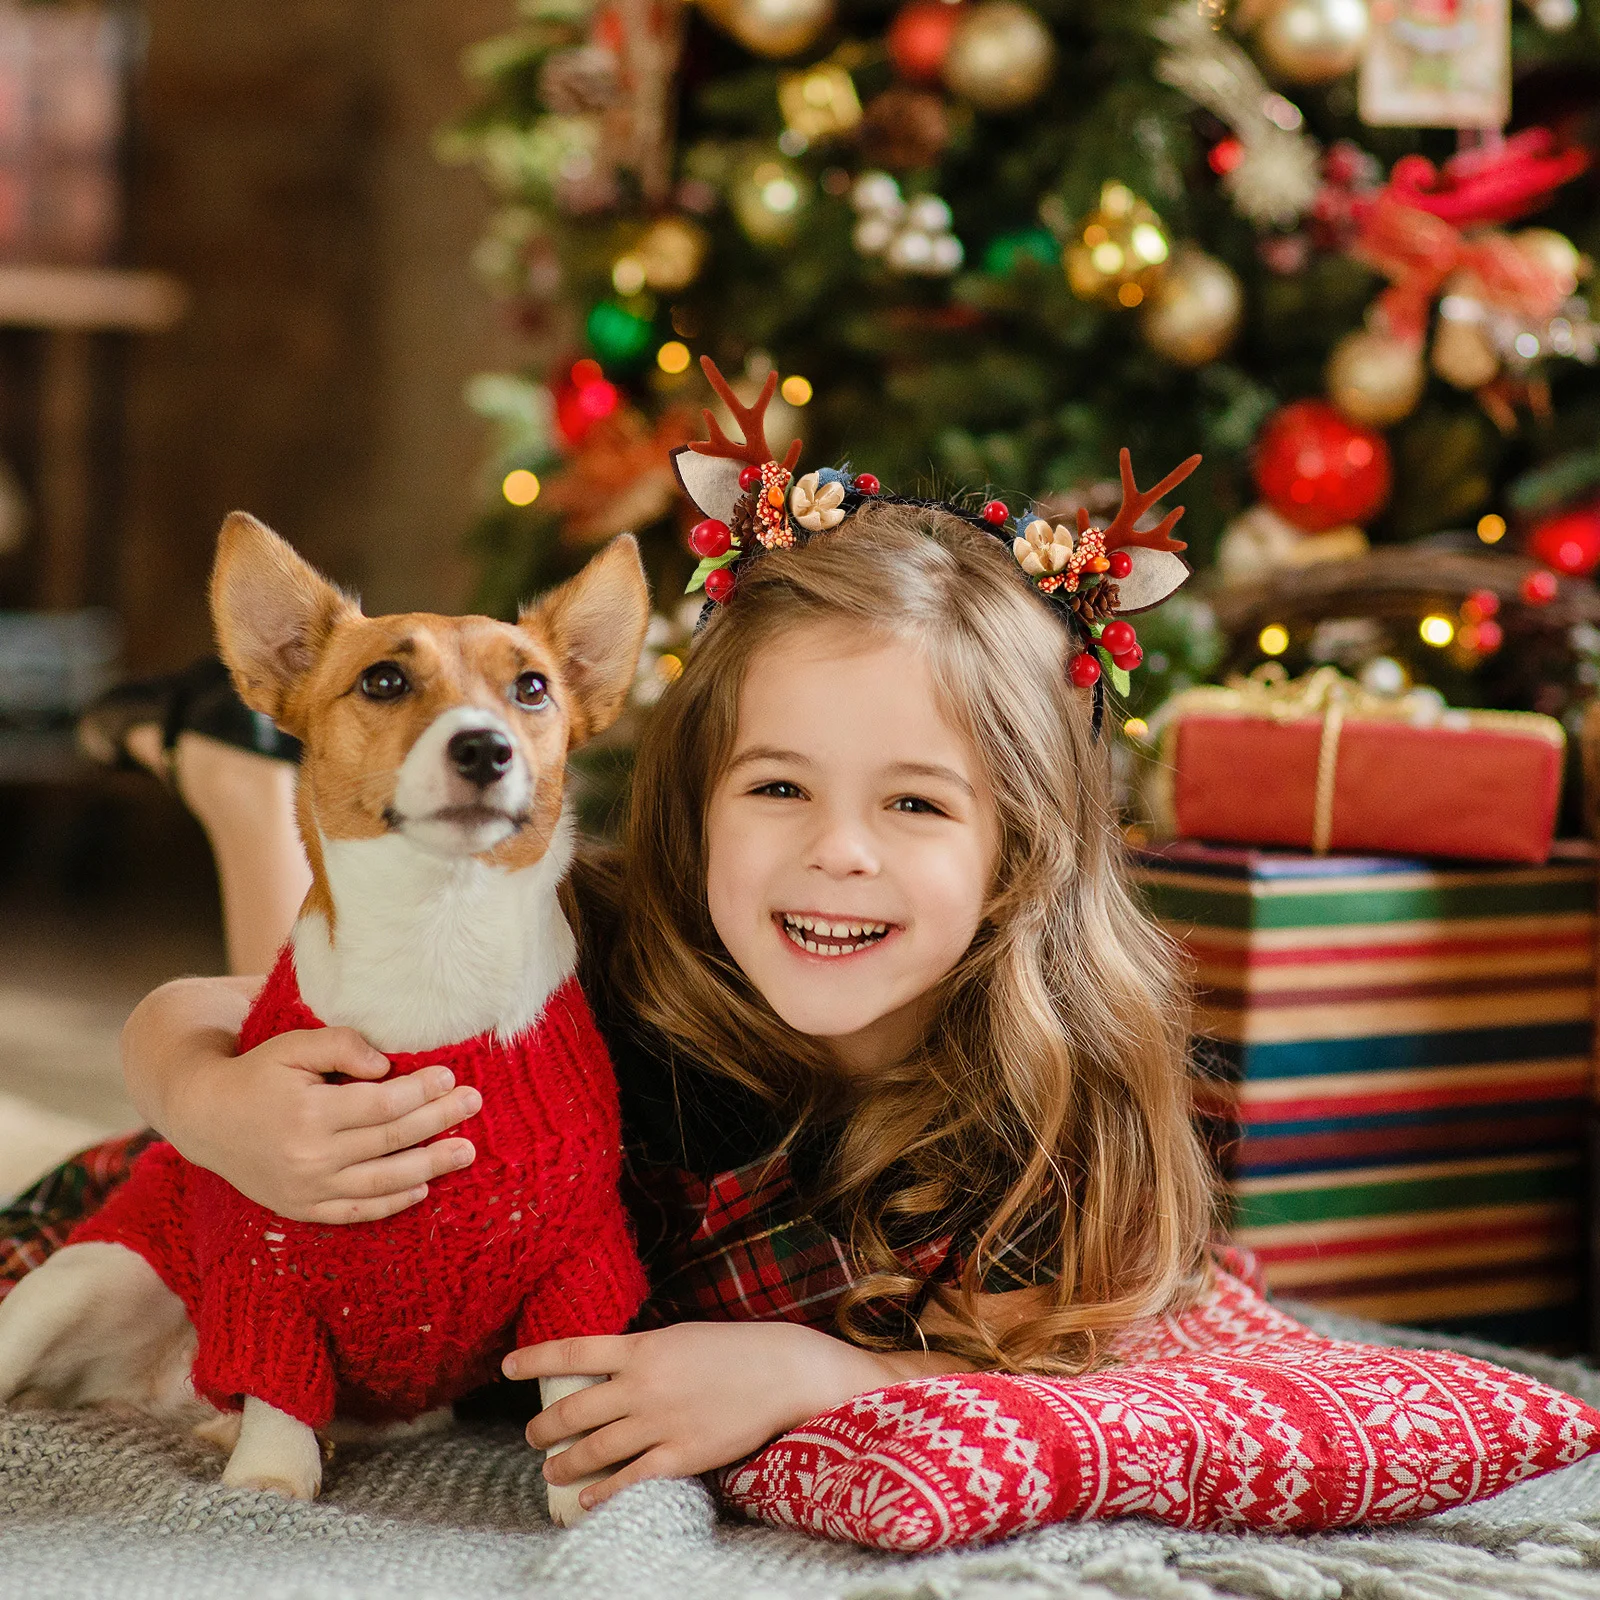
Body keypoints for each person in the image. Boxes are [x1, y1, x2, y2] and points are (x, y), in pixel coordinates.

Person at [2, 459, 1213, 1516]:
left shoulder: (1058, 1107)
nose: (837, 852)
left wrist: (822, 1374)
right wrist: (208, 1106)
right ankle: (248, 787)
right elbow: (209, 1013)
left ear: (1025, 842)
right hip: (289, 1223)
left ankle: (236, 774)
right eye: (779, 788)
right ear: (694, 798)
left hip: (470, 1325)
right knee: (352, 981)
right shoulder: (615, 931)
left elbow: (1100, 1383)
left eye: (914, 802)